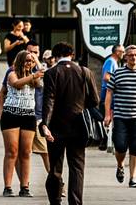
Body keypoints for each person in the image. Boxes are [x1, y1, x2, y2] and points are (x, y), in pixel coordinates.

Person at [40, 41, 98, 205]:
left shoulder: (51, 73)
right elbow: (94, 100)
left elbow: (49, 100)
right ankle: (75, 202)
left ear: (55, 56)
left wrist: (45, 124)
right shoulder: (84, 71)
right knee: (77, 168)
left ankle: (55, 200)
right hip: (79, 128)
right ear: (72, 55)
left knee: (55, 168)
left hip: (56, 128)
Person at [103, 44, 136, 188]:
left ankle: (133, 178)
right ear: (125, 57)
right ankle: (120, 165)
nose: (134, 57)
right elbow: (109, 93)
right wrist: (107, 114)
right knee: (120, 146)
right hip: (120, 117)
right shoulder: (118, 73)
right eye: (131, 55)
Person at [0, 49, 45, 197]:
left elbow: (40, 83)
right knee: (12, 152)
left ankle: (25, 187)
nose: (29, 63)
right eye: (27, 61)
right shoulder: (12, 73)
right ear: (20, 61)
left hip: (28, 115)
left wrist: (36, 63)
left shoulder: (33, 76)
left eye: (31, 61)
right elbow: (16, 84)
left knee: (26, 152)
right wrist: (0, 111)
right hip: (11, 115)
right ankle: (8, 186)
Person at [27, 42, 51, 176]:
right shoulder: (17, 70)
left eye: (35, 52)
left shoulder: (43, 70)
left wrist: (36, 62)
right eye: (29, 52)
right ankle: (25, 184)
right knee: (23, 152)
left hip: (38, 117)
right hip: (23, 116)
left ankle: (57, 182)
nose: (32, 55)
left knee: (45, 151)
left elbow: (44, 77)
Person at [99, 44, 124, 116]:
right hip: (107, 92)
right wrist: (119, 84)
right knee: (107, 117)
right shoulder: (110, 61)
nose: (124, 53)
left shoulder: (113, 62)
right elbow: (106, 77)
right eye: (122, 51)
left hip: (110, 92)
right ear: (117, 52)